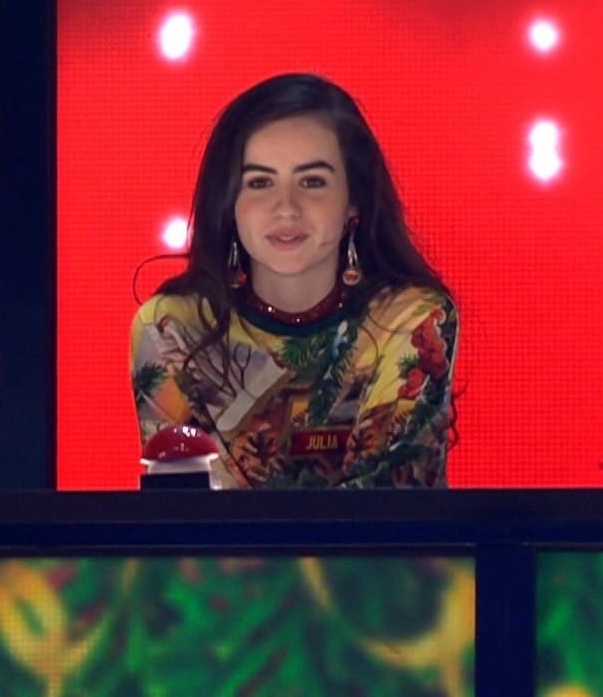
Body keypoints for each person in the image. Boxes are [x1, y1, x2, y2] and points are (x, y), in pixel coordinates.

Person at [131, 73, 457, 489]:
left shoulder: (410, 319)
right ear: (229, 203)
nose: (286, 208)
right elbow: (187, 509)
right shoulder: (171, 329)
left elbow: (392, 501)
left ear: (354, 199)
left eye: (312, 182)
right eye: (260, 183)